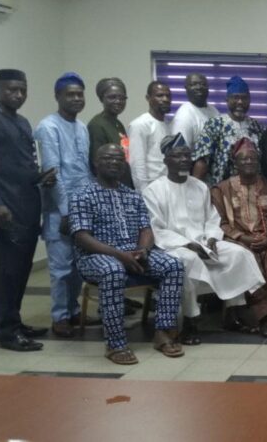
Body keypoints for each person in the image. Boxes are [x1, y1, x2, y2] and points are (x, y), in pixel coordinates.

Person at [143, 134, 265, 344]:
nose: (184, 161)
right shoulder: (154, 190)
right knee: (187, 261)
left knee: (239, 254)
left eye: (187, 156)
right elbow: (156, 228)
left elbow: (212, 218)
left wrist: (210, 239)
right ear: (166, 160)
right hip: (173, 247)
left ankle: (234, 312)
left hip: (204, 242)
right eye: (177, 156)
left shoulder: (199, 186)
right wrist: (187, 244)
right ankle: (191, 321)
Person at [70, 144, 184, 365]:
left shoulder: (132, 196)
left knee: (173, 265)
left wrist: (143, 250)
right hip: (95, 257)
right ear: (96, 163)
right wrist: (121, 256)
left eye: (119, 159)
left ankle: (163, 332)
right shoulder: (82, 195)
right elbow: (82, 237)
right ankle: (116, 343)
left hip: (134, 254)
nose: (114, 163)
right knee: (112, 270)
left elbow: (146, 229)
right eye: (108, 159)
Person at [0, 69, 56, 351]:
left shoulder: (21, 121)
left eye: (22, 90)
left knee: (21, 270)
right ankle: (7, 333)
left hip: (27, 204)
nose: (18, 95)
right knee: (6, 271)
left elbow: (19, 164)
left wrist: (39, 177)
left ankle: (15, 322)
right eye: (11, 90)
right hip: (4, 207)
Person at [210, 138, 267, 337]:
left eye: (253, 159)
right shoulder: (221, 189)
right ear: (235, 163)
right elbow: (218, 222)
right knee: (247, 258)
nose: (249, 162)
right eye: (243, 159)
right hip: (237, 241)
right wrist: (243, 238)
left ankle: (266, 316)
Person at [34, 72, 90, 338]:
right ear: (57, 96)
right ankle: (59, 317)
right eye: (70, 94)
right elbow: (52, 173)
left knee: (78, 266)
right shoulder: (48, 127)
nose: (76, 98)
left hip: (82, 208)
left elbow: (84, 170)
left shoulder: (82, 127)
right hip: (60, 211)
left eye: (80, 94)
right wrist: (67, 211)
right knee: (60, 268)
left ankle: (73, 310)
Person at [193, 75, 264, 185]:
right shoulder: (215, 125)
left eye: (244, 98)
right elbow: (202, 161)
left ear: (249, 100)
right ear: (227, 100)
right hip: (221, 192)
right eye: (235, 97)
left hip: (252, 191)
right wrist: (195, 191)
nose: (240, 102)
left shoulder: (256, 127)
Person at [127, 81, 172, 191]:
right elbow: (137, 164)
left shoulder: (168, 125)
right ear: (148, 98)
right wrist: (143, 194)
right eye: (160, 95)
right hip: (150, 189)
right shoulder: (139, 125)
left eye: (168, 96)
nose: (165, 99)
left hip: (168, 188)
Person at [87, 77, 132, 187]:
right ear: (102, 99)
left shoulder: (118, 124)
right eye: (112, 97)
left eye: (122, 98)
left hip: (122, 184)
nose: (118, 101)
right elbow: (97, 164)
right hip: (108, 187)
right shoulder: (97, 125)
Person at [171, 73, 219, 148]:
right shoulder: (184, 115)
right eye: (193, 84)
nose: (199, 87)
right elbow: (180, 152)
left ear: (208, 87)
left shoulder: (214, 111)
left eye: (203, 84)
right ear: (186, 88)